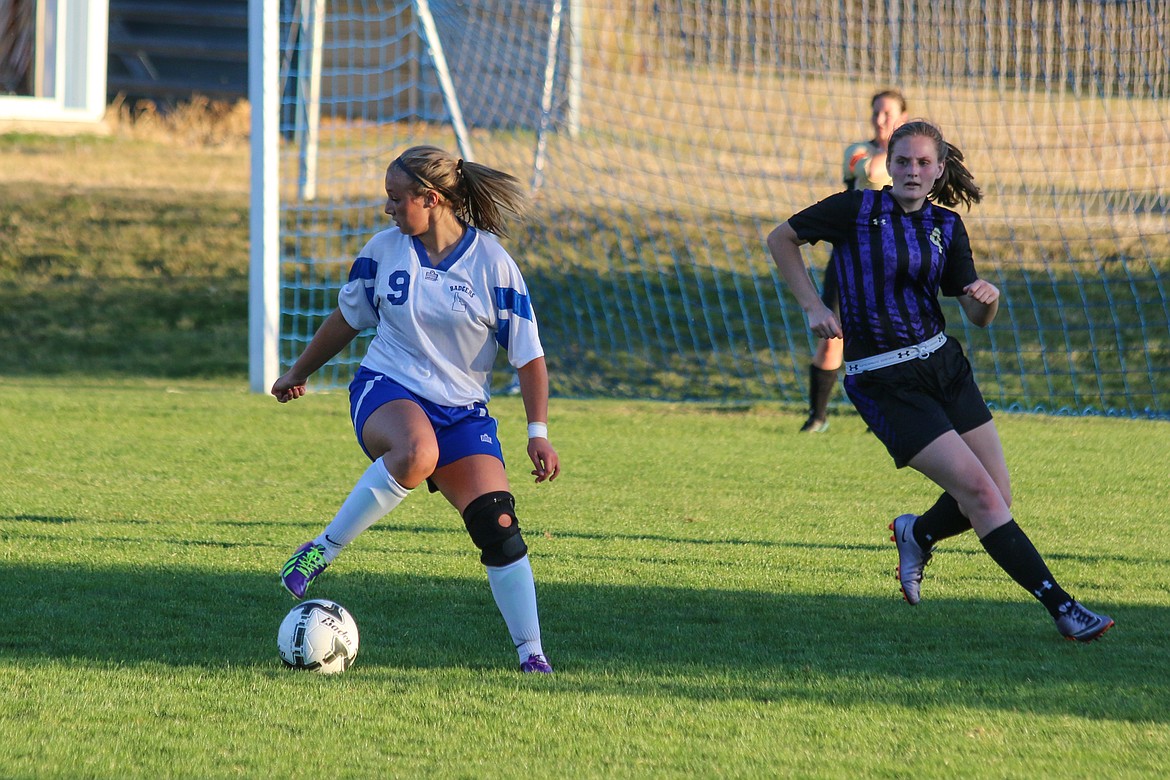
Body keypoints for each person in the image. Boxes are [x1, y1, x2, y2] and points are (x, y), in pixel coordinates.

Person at [767, 120, 1114, 642]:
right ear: (889, 161)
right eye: (903, 161)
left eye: (923, 163)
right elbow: (781, 238)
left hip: (944, 366)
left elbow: (974, 317)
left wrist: (987, 301)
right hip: (885, 380)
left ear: (939, 169)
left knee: (997, 493)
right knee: (979, 493)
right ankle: (1064, 608)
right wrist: (813, 305)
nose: (912, 170)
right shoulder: (855, 209)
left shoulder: (946, 226)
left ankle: (917, 532)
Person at [271, 145, 562, 673]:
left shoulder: (492, 264)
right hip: (386, 388)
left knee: (498, 526)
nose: (388, 209)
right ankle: (321, 552)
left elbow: (530, 356)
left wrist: (537, 431)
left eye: (395, 198)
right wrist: (299, 372)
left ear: (430, 200)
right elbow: (346, 318)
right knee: (415, 451)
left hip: (462, 412)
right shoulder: (384, 251)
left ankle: (532, 655)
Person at [800, 89, 908, 433]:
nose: (881, 120)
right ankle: (817, 417)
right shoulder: (858, 152)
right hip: (849, 256)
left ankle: (880, 417)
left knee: (889, 337)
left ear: (903, 118)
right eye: (877, 113)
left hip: (890, 259)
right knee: (833, 335)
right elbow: (865, 182)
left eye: (888, 114)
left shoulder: (912, 158)